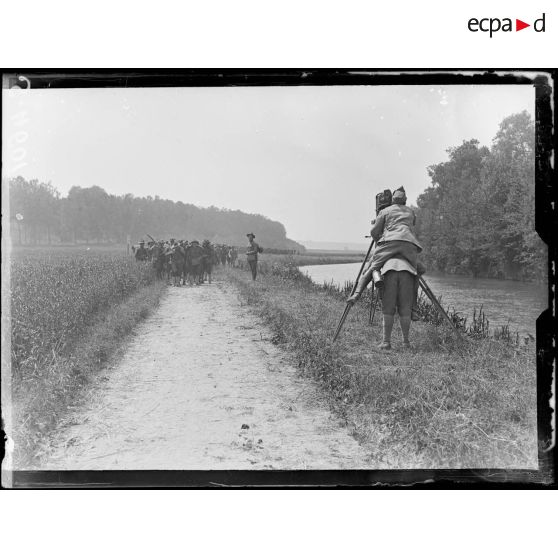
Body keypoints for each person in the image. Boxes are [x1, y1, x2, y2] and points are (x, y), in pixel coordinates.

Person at [348, 187, 424, 320]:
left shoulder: (385, 211)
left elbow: (374, 232)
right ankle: (414, 308)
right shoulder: (411, 211)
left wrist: (380, 241)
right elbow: (411, 225)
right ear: (405, 200)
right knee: (415, 272)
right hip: (408, 244)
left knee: (372, 267)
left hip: (389, 243)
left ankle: (357, 294)